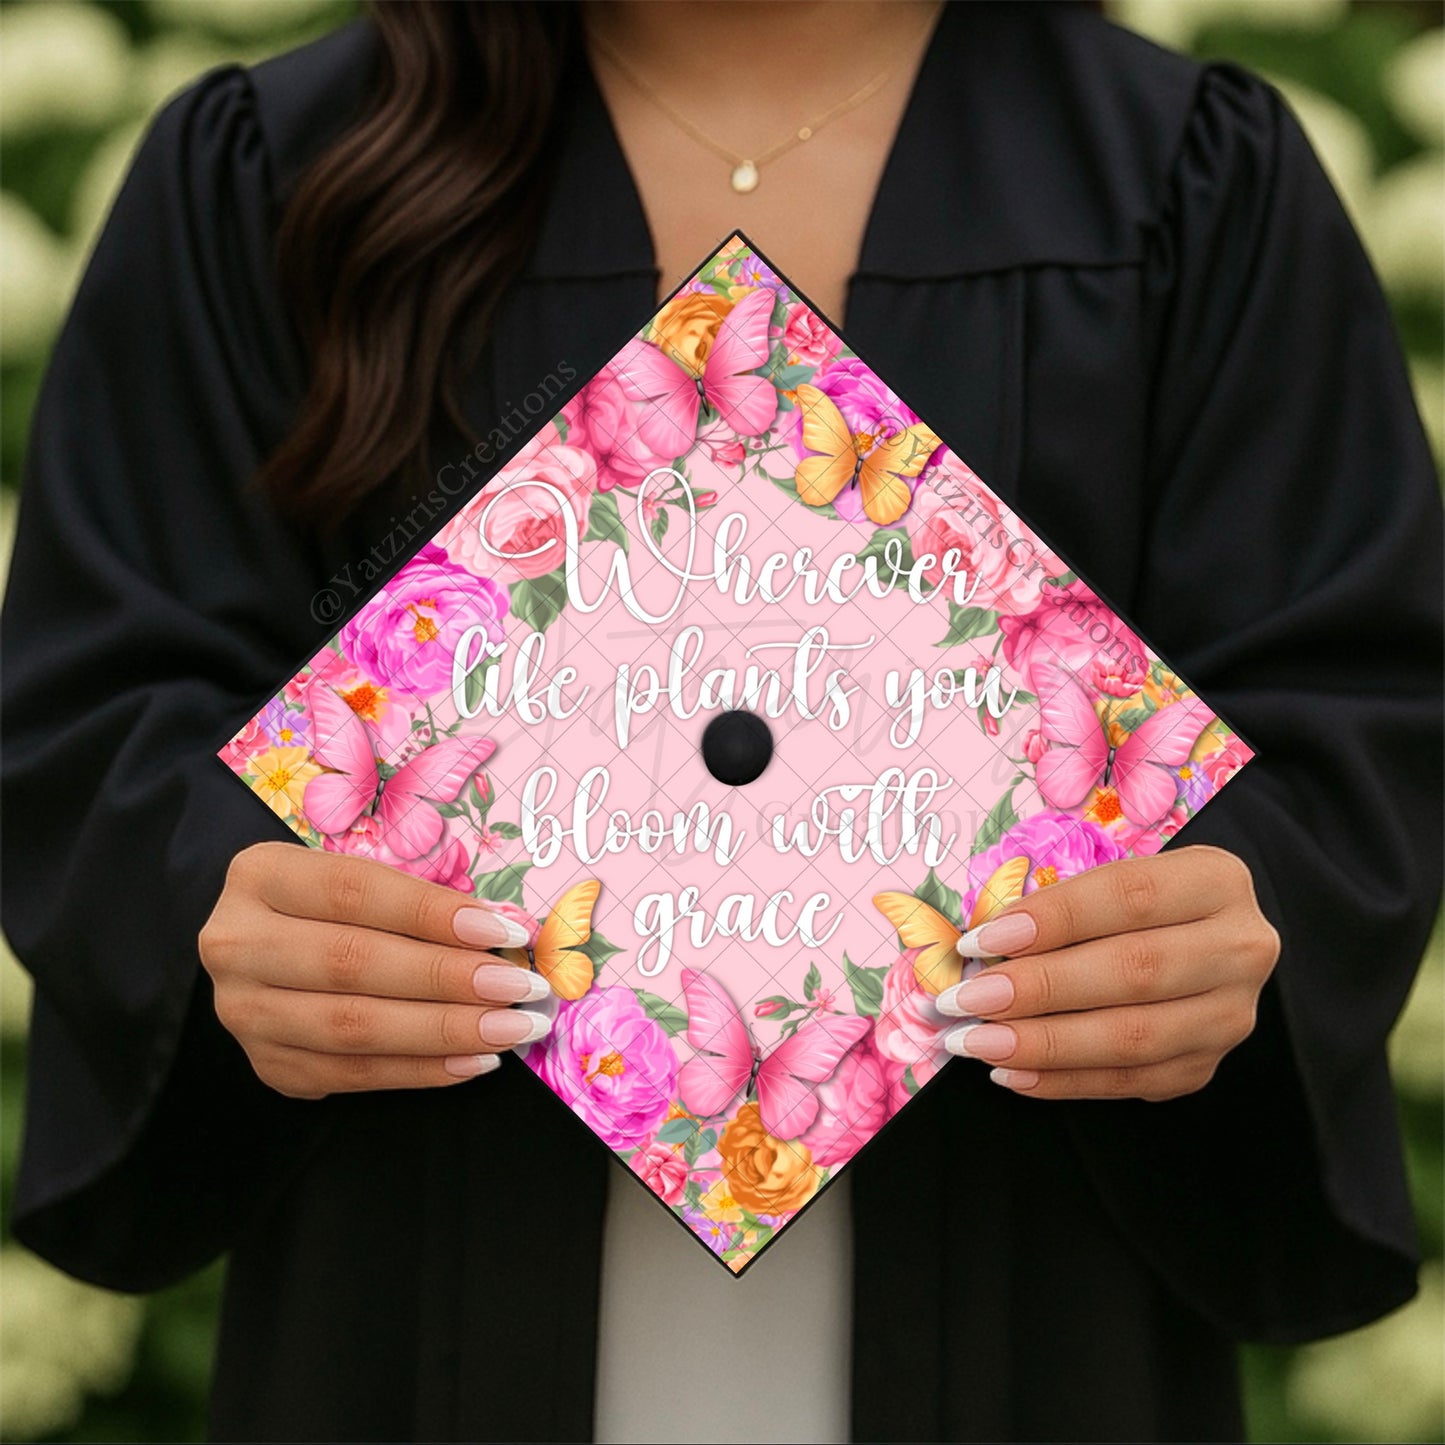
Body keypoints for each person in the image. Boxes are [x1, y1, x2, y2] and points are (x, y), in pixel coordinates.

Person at [3, 3, 1440, 1441]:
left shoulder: (1187, 180)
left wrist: (1229, 913)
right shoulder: (282, 168)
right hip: (424, 1292)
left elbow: (1347, 716)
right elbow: (99, 710)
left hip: (1017, 1302)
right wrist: (221, 900)